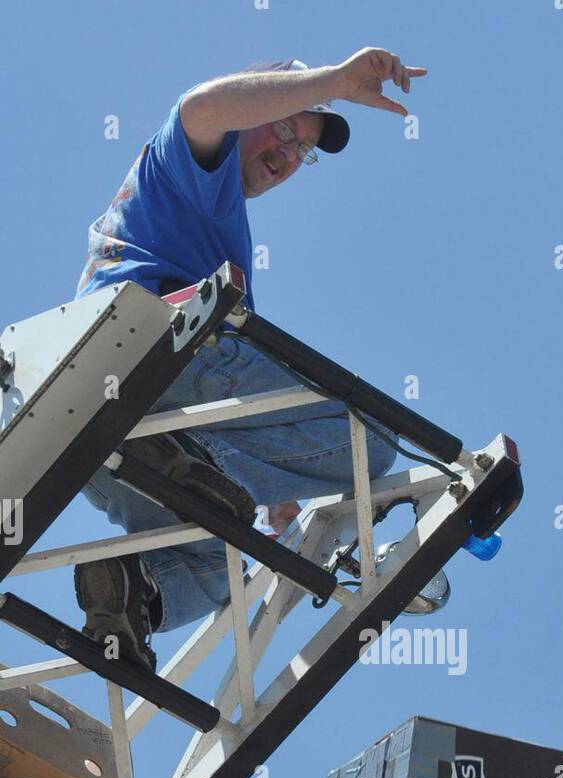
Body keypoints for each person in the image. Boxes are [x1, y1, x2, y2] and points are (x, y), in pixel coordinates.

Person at [73, 48, 427, 671]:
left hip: (98, 438)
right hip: (156, 354)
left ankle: (129, 586)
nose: (288, 156)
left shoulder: (210, 219)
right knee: (369, 445)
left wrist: (278, 487)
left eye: (303, 151)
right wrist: (339, 82)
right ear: (255, 110)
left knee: (227, 555)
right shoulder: (192, 172)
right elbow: (201, 106)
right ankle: (193, 457)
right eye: (287, 128)